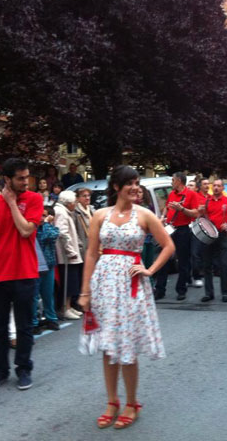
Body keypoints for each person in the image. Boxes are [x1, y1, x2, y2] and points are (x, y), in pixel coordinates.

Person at [78, 165, 175, 430]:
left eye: (137, 182)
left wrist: (150, 270)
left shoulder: (144, 215)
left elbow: (168, 245)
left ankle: (132, 403)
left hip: (131, 286)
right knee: (108, 345)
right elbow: (91, 254)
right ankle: (112, 401)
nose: (135, 187)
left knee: (127, 347)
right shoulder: (100, 215)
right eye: (130, 183)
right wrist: (85, 291)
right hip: (104, 285)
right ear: (116, 187)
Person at [0, 158, 43, 392]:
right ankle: (0, 370)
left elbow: (26, 230)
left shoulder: (35, 199)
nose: (26, 182)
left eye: (27, 177)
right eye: (20, 178)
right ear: (7, 179)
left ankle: (23, 369)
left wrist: (12, 203)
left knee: (24, 327)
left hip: (25, 272)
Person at [154, 172, 198, 301]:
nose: (171, 182)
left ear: (179, 181)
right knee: (163, 259)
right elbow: (167, 207)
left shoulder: (191, 194)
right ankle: (160, 290)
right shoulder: (172, 194)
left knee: (183, 261)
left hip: (183, 230)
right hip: (170, 228)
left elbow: (195, 213)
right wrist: (163, 217)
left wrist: (182, 209)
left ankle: (181, 289)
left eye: (173, 180)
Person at [199, 179, 227, 303]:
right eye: (214, 186)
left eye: (219, 186)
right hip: (209, 236)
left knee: (223, 265)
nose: (216, 187)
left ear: (222, 188)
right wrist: (200, 212)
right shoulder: (206, 201)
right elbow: (201, 218)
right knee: (207, 265)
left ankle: (225, 293)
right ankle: (209, 293)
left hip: (222, 235)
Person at [54, 190, 84, 319]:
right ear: (68, 203)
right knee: (68, 282)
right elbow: (63, 233)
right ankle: (64, 308)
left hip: (69, 254)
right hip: (66, 256)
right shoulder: (61, 212)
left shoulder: (65, 212)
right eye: (74, 202)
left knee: (72, 282)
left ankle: (68, 306)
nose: (75, 204)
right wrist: (70, 251)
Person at [33, 206, 61, 333]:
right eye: (40, 215)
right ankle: (34, 322)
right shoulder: (32, 229)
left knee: (48, 295)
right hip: (35, 267)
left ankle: (51, 319)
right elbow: (43, 237)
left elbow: (53, 235)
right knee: (34, 297)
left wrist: (47, 224)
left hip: (48, 266)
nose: (41, 218)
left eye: (44, 215)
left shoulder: (49, 227)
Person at [74, 188, 93, 260]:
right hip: (83, 249)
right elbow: (74, 232)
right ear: (77, 198)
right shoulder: (75, 212)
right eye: (84, 196)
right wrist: (80, 246)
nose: (87, 198)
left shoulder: (92, 209)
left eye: (88, 195)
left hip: (94, 246)